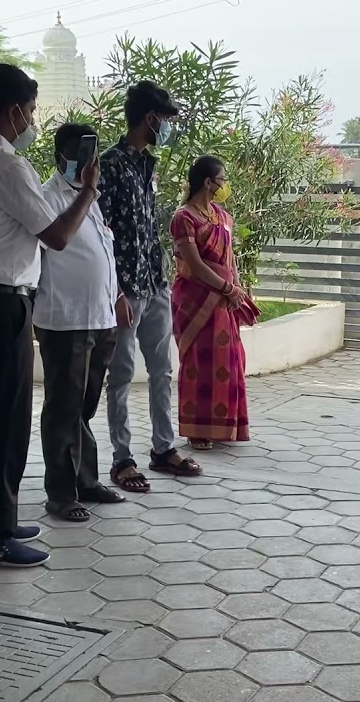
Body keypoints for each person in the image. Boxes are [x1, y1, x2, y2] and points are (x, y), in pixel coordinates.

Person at [0, 64, 102, 554]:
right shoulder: (4, 162)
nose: (32, 120)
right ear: (14, 110)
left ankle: (0, 521)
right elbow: (55, 235)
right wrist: (88, 191)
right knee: (2, 421)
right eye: (30, 110)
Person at [100, 80, 202, 492]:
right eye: (167, 120)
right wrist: (117, 291)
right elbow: (101, 232)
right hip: (124, 290)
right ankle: (122, 459)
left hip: (154, 283)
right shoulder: (108, 165)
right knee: (121, 375)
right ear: (150, 118)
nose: (169, 127)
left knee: (162, 371)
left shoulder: (146, 165)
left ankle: (163, 449)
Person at [35, 123, 133, 521]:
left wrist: (118, 296)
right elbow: (51, 244)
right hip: (65, 319)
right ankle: (60, 493)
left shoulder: (89, 199)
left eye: (89, 153)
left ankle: (85, 480)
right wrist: (88, 189)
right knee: (63, 407)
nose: (86, 161)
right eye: (78, 153)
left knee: (83, 407)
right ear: (62, 155)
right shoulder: (47, 197)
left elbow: (102, 254)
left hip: (101, 316)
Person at [169, 156, 257, 450]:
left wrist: (238, 289)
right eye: (221, 180)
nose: (224, 185)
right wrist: (226, 287)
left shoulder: (222, 217)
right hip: (195, 299)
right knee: (198, 362)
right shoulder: (184, 218)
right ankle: (198, 428)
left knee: (228, 361)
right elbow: (193, 264)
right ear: (208, 183)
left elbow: (230, 259)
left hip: (224, 301)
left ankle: (225, 425)